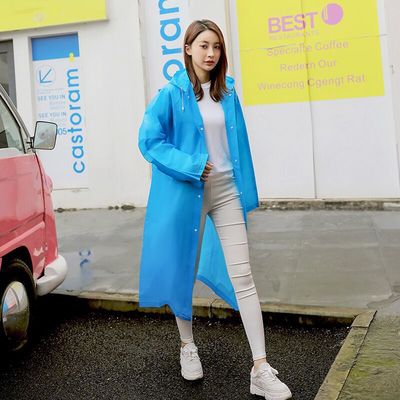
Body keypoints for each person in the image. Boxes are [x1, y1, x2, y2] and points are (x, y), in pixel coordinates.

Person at [138, 19, 292, 400]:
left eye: (217, 47)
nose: (211, 53)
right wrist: (191, 164)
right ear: (188, 49)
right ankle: (187, 345)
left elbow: (238, 147)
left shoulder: (228, 92)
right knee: (184, 272)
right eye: (204, 45)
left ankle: (260, 368)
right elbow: (149, 141)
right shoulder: (171, 94)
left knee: (244, 276)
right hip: (187, 193)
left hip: (225, 192)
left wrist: (243, 187)